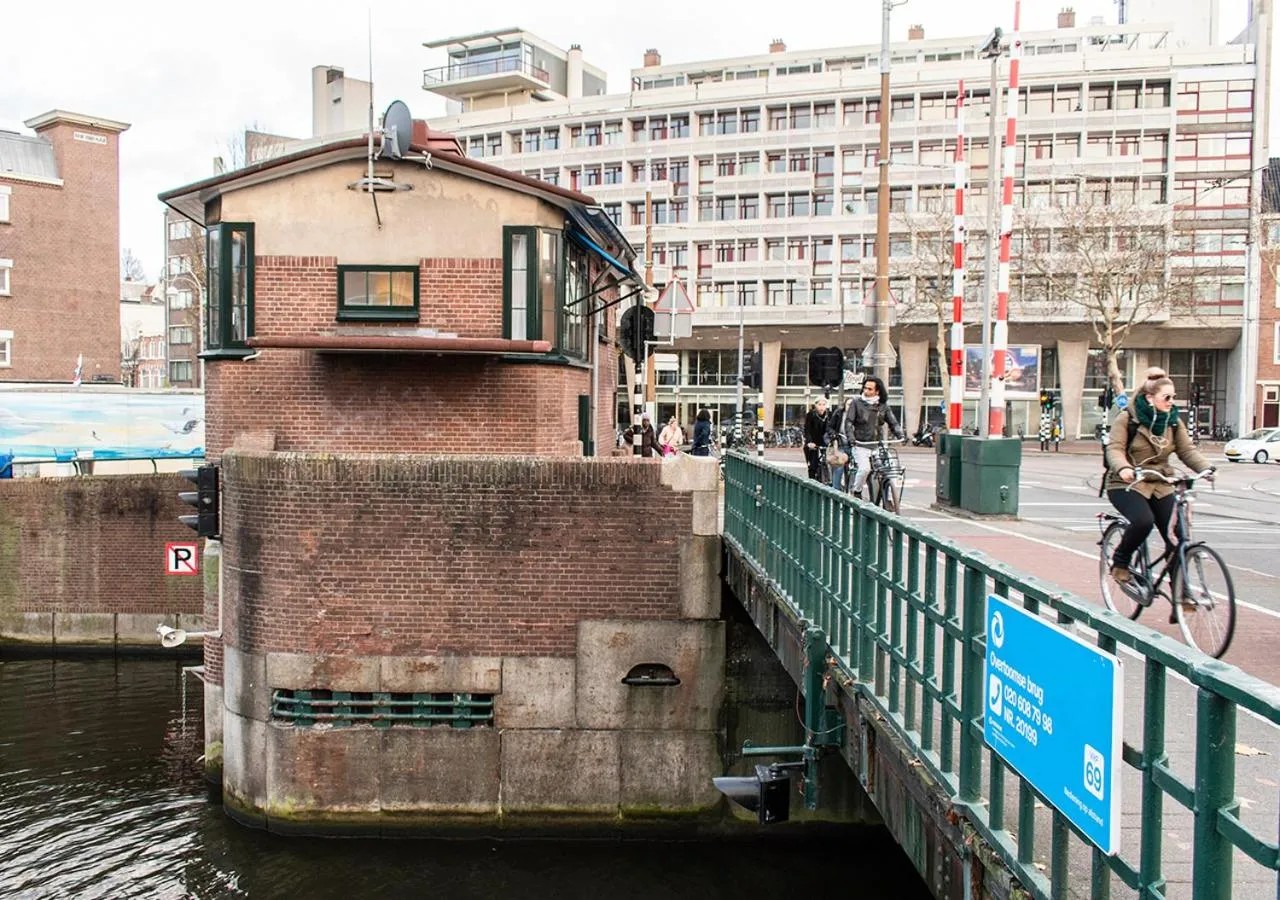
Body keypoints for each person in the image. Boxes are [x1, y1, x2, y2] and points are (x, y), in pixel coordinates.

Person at [1104, 375, 1212, 616]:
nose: (1172, 402)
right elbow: (1114, 449)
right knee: (1143, 521)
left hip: (1160, 483)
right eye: (1167, 397)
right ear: (1149, 398)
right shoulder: (1128, 419)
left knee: (1178, 537)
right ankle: (1120, 562)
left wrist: (1205, 468)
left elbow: (1187, 450)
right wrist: (1123, 468)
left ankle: (1180, 592)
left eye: (1174, 397)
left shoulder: (1173, 422)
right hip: (1126, 483)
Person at [842, 376, 904, 499]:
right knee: (864, 469)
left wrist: (900, 434)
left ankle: (890, 500)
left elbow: (893, 422)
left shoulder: (883, 406)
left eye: (870, 389)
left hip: (877, 445)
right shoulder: (856, 403)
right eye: (865, 388)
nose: (866, 391)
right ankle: (857, 491)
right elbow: (848, 422)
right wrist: (851, 438)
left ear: (877, 391)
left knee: (891, 469)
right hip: (861, 444)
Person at [825, 397, 852, 492]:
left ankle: (853, 491)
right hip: (841, 444)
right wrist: (834, 435)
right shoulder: (839, 413)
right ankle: (835, 490)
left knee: (856, 468)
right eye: (848, 404)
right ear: (845, 405)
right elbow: (830, 427)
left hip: (853, 446)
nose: (850, 407)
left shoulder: (858, 415)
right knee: (839, 466)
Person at [802, 398, 830, 481]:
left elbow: (831, 428)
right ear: (815, 405)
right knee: (813, 465)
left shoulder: (829, 415)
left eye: (823, 405)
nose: (821, 407)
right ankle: (812, 481)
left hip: (825, 442)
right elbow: (807, 429)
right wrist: (809, 442)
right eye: (819, 405)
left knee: (829, 462)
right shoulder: (810, 415)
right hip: (813, 442)